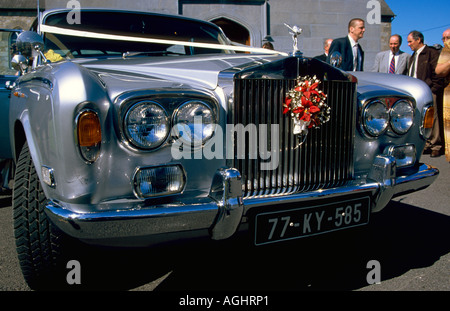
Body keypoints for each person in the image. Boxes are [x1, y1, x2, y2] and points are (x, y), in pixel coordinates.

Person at [407, 30, 446, 157]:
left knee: (433, 118)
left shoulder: (431, 53)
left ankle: (436, 145)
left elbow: (438, 74)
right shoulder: (413, 55)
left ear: (418, 40)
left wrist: (433, 89)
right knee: (421, 118)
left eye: (410, 41)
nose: (408, 44)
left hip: (429, 91)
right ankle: (426, 144)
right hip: (416, 93)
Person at [435, 28, 450, 161]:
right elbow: (439, 70)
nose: (446, 41)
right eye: (444, 38)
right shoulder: (446, 50)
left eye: (448, 38)